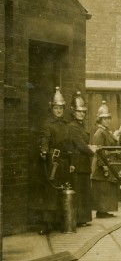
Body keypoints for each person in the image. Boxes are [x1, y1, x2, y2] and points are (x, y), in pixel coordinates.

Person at [38, 86, 71, 235]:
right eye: (56, 108)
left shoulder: (66, 124)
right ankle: (47, 223)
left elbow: (69, 143)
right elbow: (45, 137)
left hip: (64, 161)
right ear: (52, 108)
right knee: (50, 192)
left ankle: (60, 221)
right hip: (52, 161)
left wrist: (71, 162)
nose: (58, 110)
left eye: (61, 108)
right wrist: (44, 150)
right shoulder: (47, 124)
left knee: (63, 190)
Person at [68, 92, 96, 227]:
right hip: (78, 163)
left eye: (83, 112)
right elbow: (80, 145)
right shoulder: (73, 126)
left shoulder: (79, 126)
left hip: (83, 163)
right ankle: (78, 219)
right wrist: (92, 151)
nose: (82, 114)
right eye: (79, 112)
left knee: (84, 191)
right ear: (73, 112)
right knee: (79, 191)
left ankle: (82, 219)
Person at [91, 101, 119, 219]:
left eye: (108, 118)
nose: (107, 120)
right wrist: (104, 165)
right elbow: (99, 151)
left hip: (108, 161)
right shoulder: (100, 132)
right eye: (104, 119)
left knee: (106, 188)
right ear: (100, 120)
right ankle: (101, 211)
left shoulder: (106, 131)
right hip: (101, 163)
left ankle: (104, 210)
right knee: (102, 188)